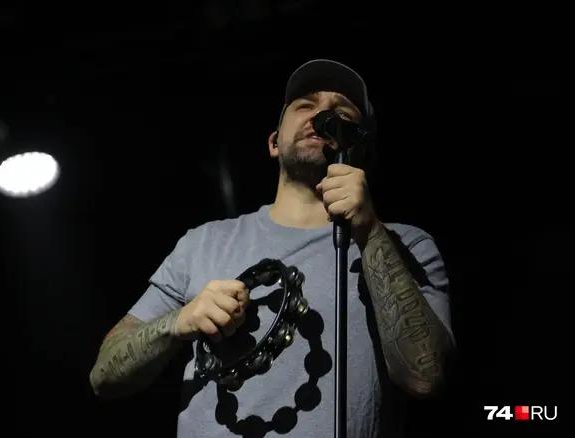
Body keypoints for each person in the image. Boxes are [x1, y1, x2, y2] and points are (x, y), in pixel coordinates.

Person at [89, 59, 455, 437]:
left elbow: (425, 377)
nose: (322, 114)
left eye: (342, 112)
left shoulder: (406, 245)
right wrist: (179, 322)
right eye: (305, 105)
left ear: (362, 147)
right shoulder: (204, 243)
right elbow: (103, 376)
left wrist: (370, 231)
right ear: (274, 142)